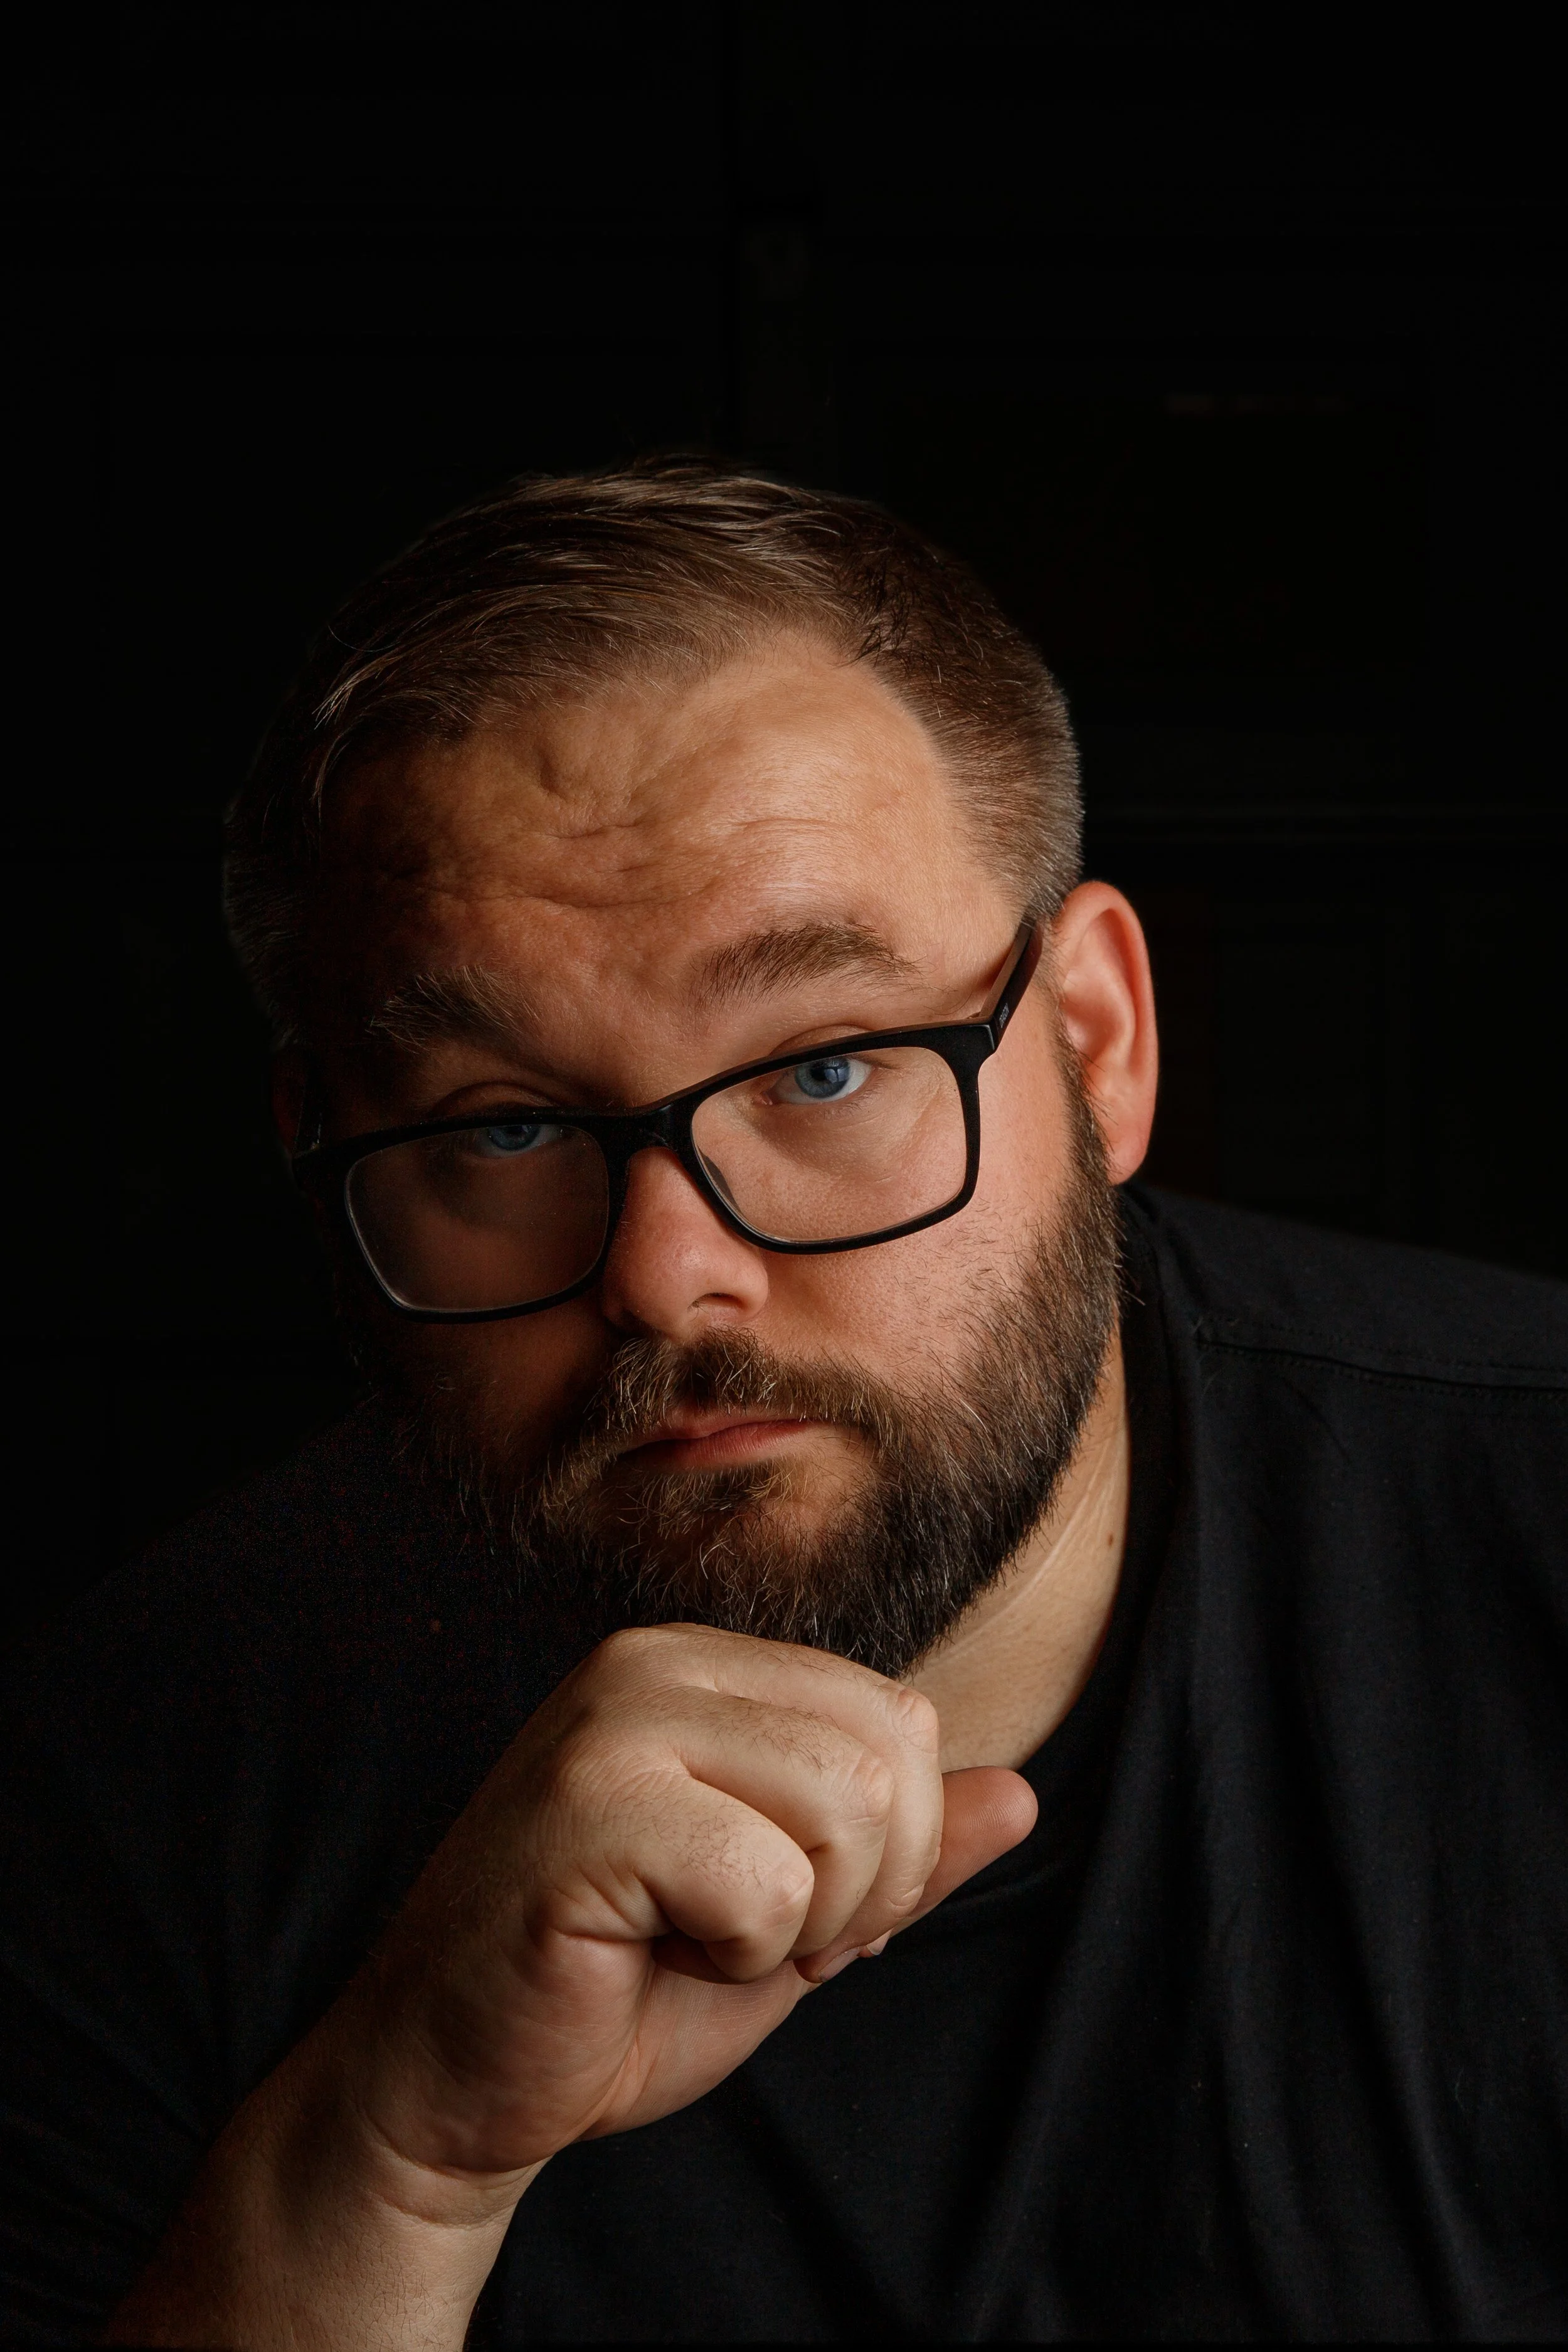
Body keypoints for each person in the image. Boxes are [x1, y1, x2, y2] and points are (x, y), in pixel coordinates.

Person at [3, 464, 1566, 2348]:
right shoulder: (123, 1796)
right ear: (331, 1154)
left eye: (825, 1067)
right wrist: (385, 2160)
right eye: (501, 1126)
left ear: (1093, 1045)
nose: (664, 1274)